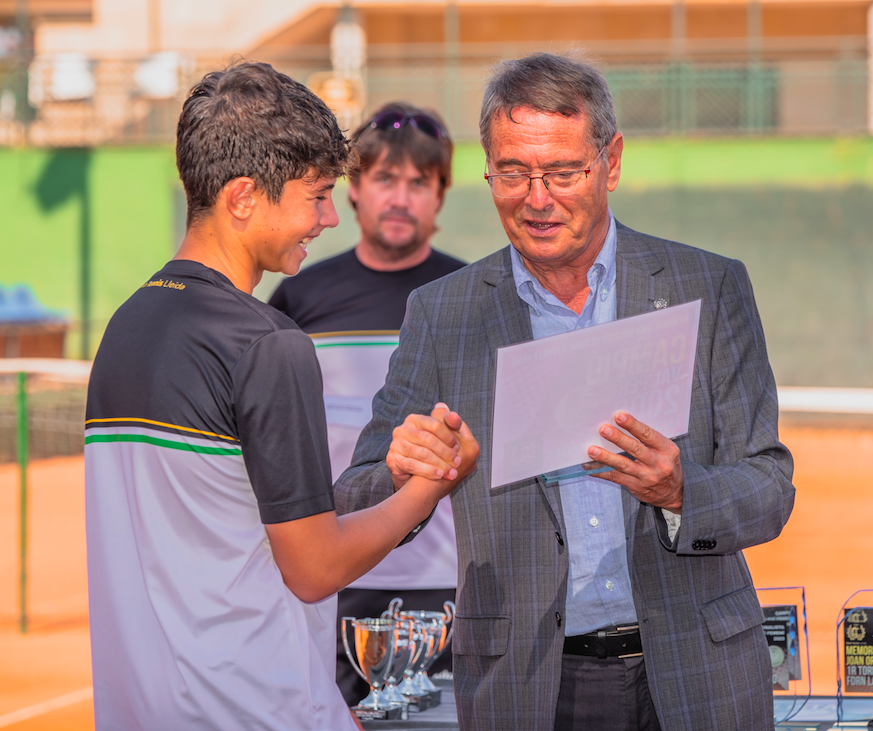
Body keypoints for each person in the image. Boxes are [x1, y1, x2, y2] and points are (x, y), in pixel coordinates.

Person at [335, 52, 795, 731]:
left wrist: (680, 491)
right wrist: (405, 472)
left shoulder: (707, 286)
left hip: (698, 676)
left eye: (561, 172)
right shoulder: (443, 314)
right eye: (513, 173)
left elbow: (769, 486)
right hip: (524, 688)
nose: (537, 198)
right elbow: (355, 496)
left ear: (610, 162)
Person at [84, 62, 477, 731]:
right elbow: (315, 567)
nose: (328, 217)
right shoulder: (269, 343)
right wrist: (431, 484)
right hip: (258, 708)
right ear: (243, 197)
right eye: (316, 195)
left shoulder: (125, 327)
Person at [269, 101, 465, 706]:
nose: (400, 199)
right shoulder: (298, 295)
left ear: (440, 194)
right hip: (333, 578)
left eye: (418, 183)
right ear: (353, 189)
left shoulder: (471, 297)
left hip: (453, 585)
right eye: (384, 179)